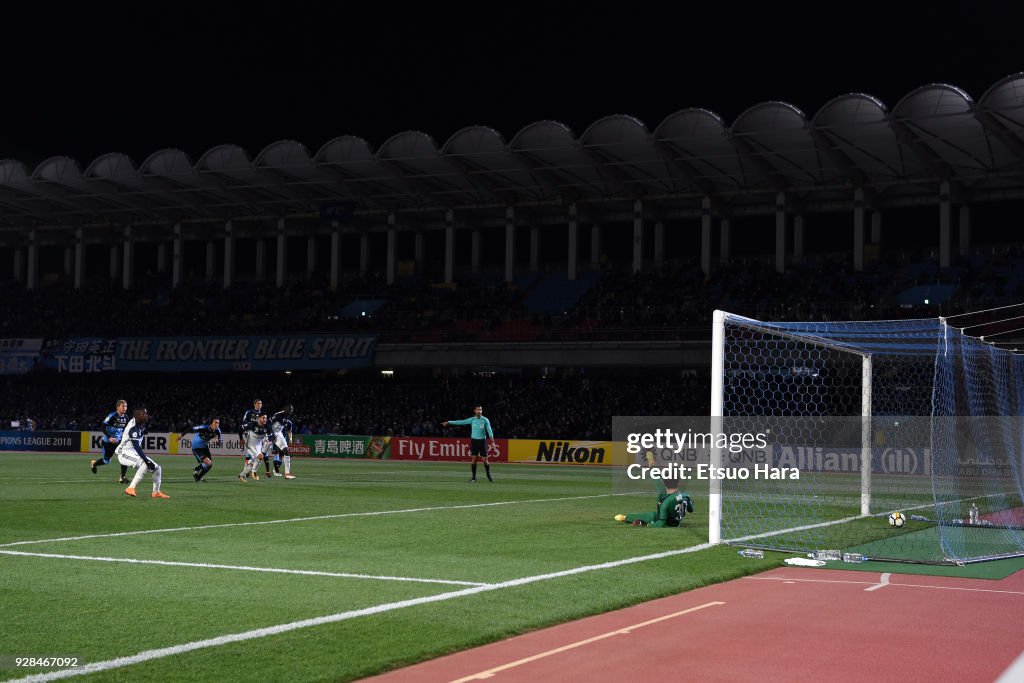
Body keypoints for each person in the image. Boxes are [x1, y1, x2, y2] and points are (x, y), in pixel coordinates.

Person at [116, 408, 169, 499]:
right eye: (144, 414)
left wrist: (144, 431)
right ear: (137, 416)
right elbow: (137, 447)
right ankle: (130, 488)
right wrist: (146, 460)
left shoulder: (140, 423)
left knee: (157, 468)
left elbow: (141, 431)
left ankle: (156, 492)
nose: (146, 415)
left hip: (132, 452)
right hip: (124, 453)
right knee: (145, 463)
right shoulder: (133, 428)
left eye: (146, 414)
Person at [442, 405, 495, 483]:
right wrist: (449, 422)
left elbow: (489, 430)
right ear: (475, 411)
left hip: (482, 441)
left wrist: (492, 441)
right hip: (474, 441)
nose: (479, 411)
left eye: (480, 409)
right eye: (478, 410)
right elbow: (461, 422)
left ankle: (488, 475)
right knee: (474, 460)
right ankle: (473, 478)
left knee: (485, 460)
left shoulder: (485, 420)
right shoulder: (472, 420)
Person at [613, 477, 693, 527]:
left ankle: (625, 517)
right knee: (651, 515)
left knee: (650, 516)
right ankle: (625, 517)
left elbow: (660, 524)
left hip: (668, 523)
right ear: (678, 482)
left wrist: (646, 525)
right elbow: (691, 509)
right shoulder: (686, 496)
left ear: (664, 483)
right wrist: (651, 465)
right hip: (677, 522)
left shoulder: (666, 502)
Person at [90, 399, 130, 483]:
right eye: (123, 406)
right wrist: (109, 437)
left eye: (126, 406)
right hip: (108, 442)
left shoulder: (126, 417)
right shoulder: (112, 416)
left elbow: (126, 429)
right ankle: (94, 464)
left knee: (124, 457)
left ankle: (122, 477)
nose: (125, 408)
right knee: (106, 461)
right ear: (118, 407)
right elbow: (102, 426)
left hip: (119, 442)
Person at [239, 413, 272, 481]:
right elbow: (240, 428)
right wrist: (241, 439)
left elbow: (272, 435)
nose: (265, 419)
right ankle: (254, 472)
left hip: (258, 446)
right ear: (259, 418)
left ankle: (241, 475)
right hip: (250, 445)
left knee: (253, 462)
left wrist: (270, 439)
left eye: (265, 418)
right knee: (260, 457)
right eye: (263, 418)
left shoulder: (267, 426)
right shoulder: (252, 424)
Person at [190, 418, 222, 482]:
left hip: (204, 447)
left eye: (218, 423)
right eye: (216, 422)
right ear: (212, 423)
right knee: (208, 463)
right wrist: (181, 435)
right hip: (197, 447)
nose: (217, 424)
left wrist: (217, 441)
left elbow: (219, 444)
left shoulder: (218, 431)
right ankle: (197, 471)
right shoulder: (204, 427)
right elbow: (192, 428)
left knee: (209, 465)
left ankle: (198, 477)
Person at [268, 406, 295, 479]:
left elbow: (289, 430)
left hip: (278, 434)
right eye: (289, 410)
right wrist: (271, 434)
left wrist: (291, 438)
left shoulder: (288, 421)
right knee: (261, 453)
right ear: (285, 410)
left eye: (291, 411)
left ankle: (287, 474)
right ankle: (249, 469)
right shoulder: (278, 415)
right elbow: (268, 423)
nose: (290, 412)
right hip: (269, 433)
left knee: (286, 452)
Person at [240, 398, 264, 473]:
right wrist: (244, 433)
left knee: (257, 455)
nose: (259, 405)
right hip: (250, 435)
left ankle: (247, 469)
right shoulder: (249, 413)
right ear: (254, 404)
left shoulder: (263, 414)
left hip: (260, 436)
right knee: (249, 453)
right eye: (258, 403)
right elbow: (244, 423)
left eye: (260, 403)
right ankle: (246, 470)